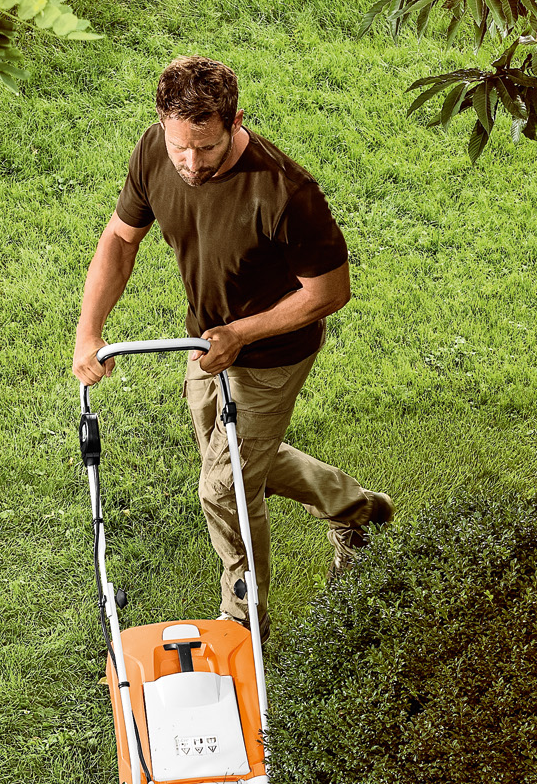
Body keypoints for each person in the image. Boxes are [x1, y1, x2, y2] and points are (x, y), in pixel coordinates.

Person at [72, 55, 392, 641]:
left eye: (207, 150)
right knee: (240, 464)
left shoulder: (287, 192)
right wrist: (89, 330)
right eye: (180, 150)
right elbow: (120, 240)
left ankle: (244, 626)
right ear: (162, 125)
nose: (191, 165)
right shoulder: (152, 152)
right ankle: (356, 509)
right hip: (205, 340)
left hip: (271, 354)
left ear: (235, 121)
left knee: (224, 486)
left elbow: (330, 292)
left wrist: (241, 334)